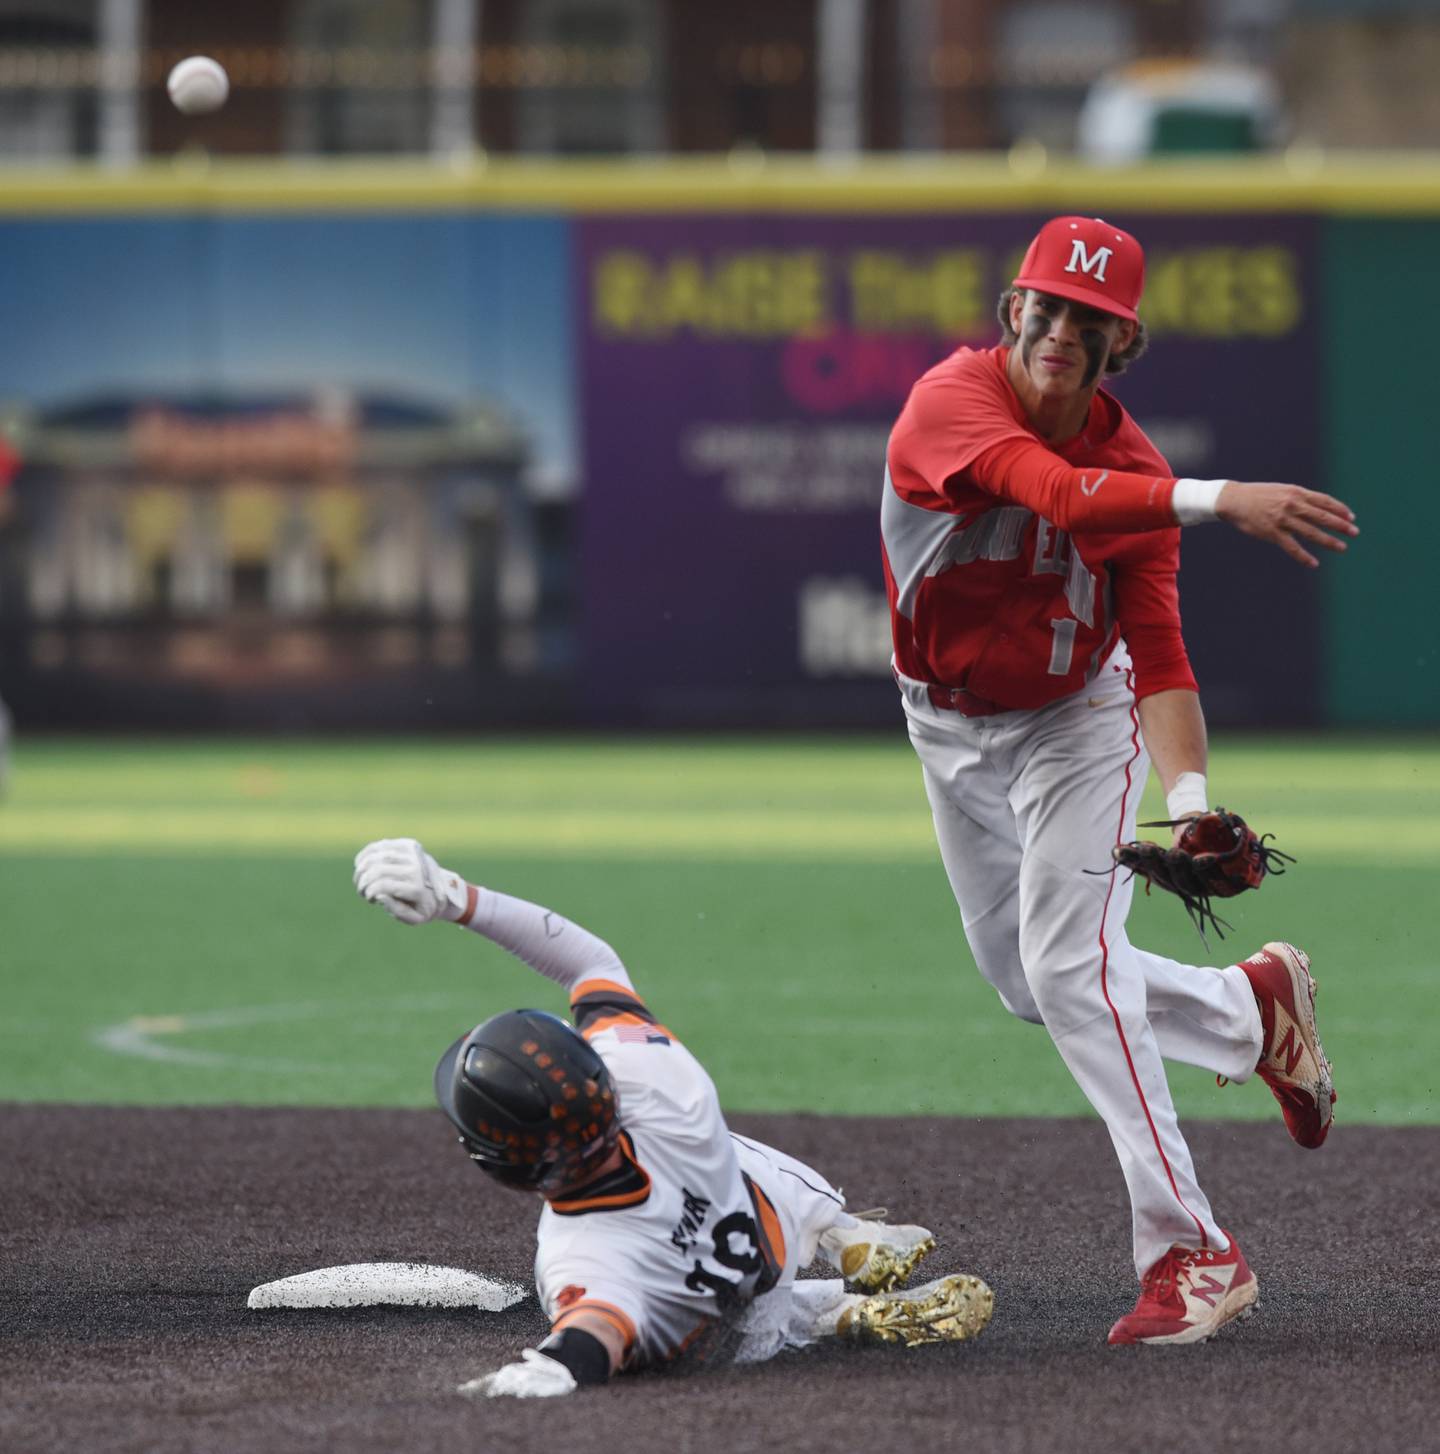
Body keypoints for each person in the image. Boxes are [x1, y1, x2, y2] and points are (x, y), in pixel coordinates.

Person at [881, 215, 1353, 1347]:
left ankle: (1195, 1248)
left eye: (1088, 319)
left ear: (1118, 346)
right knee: (1025, 980)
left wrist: (1190, 804)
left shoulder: (1139, 470)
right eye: (1045, 306)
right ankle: (1251, 1009)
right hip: (947, 722)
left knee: (1066, 962)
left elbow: (1161, 656)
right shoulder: (950, 402)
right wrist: (1222, 492)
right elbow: (1052, 490)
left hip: (1076, 723)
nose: (1059, 328)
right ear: (1012, 312)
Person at [352, 836, 994, 1396]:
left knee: (699, 1330)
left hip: (732, 1338)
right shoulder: (659, 1080)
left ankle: (831, 1315)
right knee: (725, 1147)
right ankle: (841, 1230)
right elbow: (590, 961)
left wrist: (553, 1368)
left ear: (509, 1168)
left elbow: (593, 1333)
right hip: (760, 1223)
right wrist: (457, 897)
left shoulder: (579, 1256)